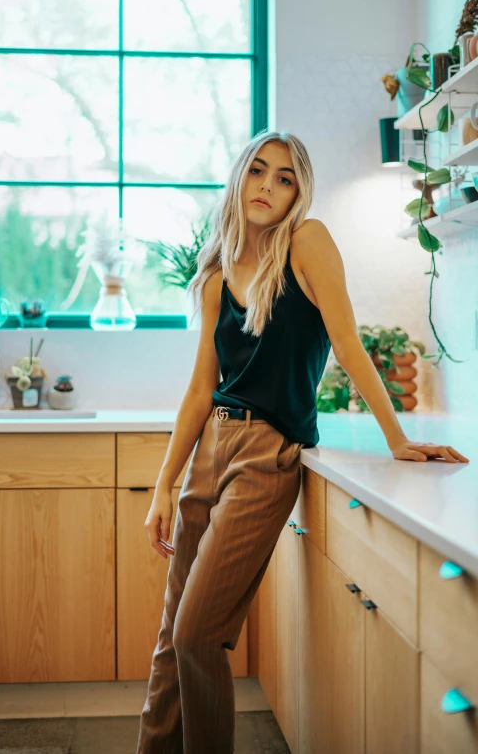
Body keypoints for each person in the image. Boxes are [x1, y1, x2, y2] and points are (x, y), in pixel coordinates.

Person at [135, 129, 469, 754]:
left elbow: (347, 343)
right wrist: (164, 481)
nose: (267, 185)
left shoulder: (308, 243)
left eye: (284, 178)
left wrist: (396, 438)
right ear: (239, 177)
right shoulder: (214, 278)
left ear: (298, 193)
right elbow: (199, 390)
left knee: (195, 635)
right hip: (210, 450)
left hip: (268, 455)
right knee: (168, 641)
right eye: (258, 171)